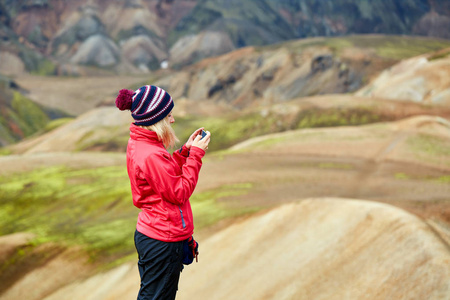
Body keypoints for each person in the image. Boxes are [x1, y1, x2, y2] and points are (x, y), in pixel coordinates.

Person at [115, 85, 211, 300]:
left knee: (152, 295)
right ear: (156, 119)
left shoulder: (141, 143)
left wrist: (185, 152)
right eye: (168, 115)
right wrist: (196, 155)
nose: (173, 120)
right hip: (163, 240)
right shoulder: (151, 154)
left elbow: (163, 176)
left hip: (154, 233)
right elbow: (179, 192)